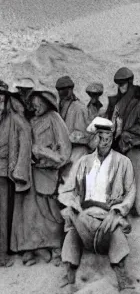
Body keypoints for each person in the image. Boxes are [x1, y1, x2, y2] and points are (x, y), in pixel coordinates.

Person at [58, 117, 137, 294]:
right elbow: (67, 189)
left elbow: (130, 193)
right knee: (72, 231)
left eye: (108, 136)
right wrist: (75, 207)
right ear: (94, 138)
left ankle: (122, 277)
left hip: (108, 216)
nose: (104, 141)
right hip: (85, 215)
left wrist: (116, 212)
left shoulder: (123, 162)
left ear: (112, 138)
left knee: (116, 233)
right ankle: (68, 277)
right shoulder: (83, 162)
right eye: (100, 136)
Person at [11, 90, 71, 266]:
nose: (34, 107)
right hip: (31, 173)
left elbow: (65, 151)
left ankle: (56, 248)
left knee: (50, 212)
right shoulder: (31, 120)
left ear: (46, 103)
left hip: (48, 173)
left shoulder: (54, 118)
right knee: (30, 212)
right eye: (32, 105)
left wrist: (47, 156)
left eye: (37, 104)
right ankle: (33, 248)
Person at [106, 67, 140, 216]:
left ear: (130, 83)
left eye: (123, 83)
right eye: (119, 84)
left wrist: (128, 134)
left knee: (137, 183)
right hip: (118, 150)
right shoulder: (116, 104)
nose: (121, 87)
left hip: (134, 150)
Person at [0, 81, 32, 267]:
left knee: (3, 214)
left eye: (2, 101)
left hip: (3, 173)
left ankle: (2, 254)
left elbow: (26, 132)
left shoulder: (13, 119)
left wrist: (18, 168)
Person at [56, 76, 92, 207]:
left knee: (75, 187)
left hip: (78, 152)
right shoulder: (61, 106)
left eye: (64, 90)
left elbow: (86, 135)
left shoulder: (79, 108)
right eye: (59, 90)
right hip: (66, 152)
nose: (62, 93)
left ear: (71, 90)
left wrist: (71, 137)